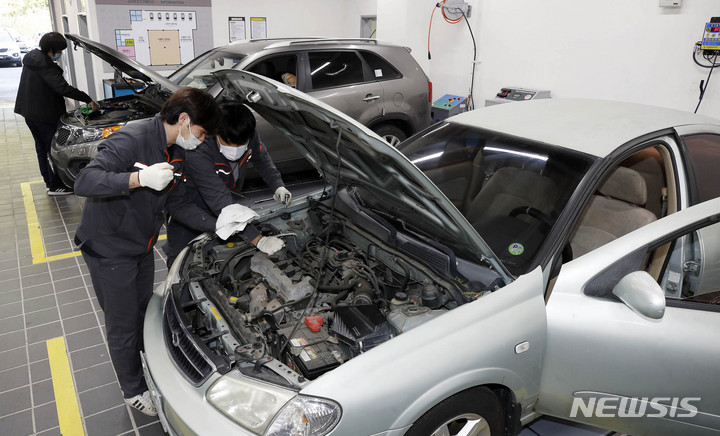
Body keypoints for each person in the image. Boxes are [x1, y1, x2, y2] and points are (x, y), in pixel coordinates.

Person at [73, 88, 220, 416]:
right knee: (122, 324)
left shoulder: (173, 149)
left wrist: (217, 222)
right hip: (110, 249)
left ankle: (144, 360)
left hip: (140, 244)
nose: (201, 139)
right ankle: (133, 388)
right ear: (183, 120)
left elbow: (178, 201)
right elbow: (85, 181)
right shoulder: (133, 138)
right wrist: (138, 178)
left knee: (142, 310)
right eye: (201, 132)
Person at [165, 102, 290, 267]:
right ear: (216, 132)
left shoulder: (248, 135)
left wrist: (277, 185)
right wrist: (259, 240)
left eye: (241, 144)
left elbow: (262, 159)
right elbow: (218, 199)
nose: (235, 148)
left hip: (223, 203)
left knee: (221, 256)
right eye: (229, 142)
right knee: (182, 262)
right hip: (190, 209)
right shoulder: (198, 149)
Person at [15, 31, 98, 195]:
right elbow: (62, 88)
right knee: (51, 149)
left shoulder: (33, 58)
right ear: (52, 50)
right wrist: (88, 99)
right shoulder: (46, 66)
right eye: (59, 51)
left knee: (42, 148)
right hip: (43, 115)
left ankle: (49, 182)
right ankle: (54, 185)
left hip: (30, 113)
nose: (60, 54)